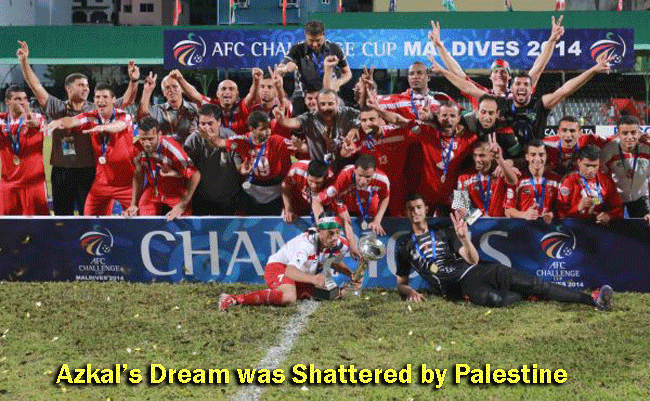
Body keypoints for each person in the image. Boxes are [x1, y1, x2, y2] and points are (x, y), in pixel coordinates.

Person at [395, 193, 613, 310]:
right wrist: (410, 292)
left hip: (476, 271)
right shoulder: (404, 245)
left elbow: (473, 260)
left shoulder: (443, 231)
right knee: (496, 300)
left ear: (425, 209)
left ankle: (593, 300)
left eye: (419, 207)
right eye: (411, 209)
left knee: (537, 284)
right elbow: (401, 283)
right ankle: (528, 295)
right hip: (459, 287)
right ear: (406, 212)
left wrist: (463, 238)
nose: (415, 212)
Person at [16, 40, 139, 215]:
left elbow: (127, 100)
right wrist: (24, 62)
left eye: (87, 85)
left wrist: (133, 81)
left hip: (88, 171)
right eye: (81, 85)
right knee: (62, 217)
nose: (86, 88)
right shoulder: (57, 107)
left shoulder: (96, 108)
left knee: (87, 217)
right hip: (61, 172)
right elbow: (36, 86)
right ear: (68, 88)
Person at [430, 56, 613, 158]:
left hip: (528, 161)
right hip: (494, 161)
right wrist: (442, 66)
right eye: (483, 112)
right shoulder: (493, 103)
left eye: (526, 84)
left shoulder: (537, 104)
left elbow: (564, 88)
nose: (486, 115)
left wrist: (593, 70)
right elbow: (464, 83)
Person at [219, 213, 358, 311]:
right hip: (280, 267)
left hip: (301, 274)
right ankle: (233, 298)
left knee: (334, 294)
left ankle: (293, 290)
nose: (334, 238)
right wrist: (313, 279)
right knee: (289, 297)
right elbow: (290, 271)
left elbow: (332, 261)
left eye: (337, 232)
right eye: (330, 233)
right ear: (319, 231)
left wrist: (352, 275)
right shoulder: (306, 245)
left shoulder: (337, 242)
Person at [429, 16, 564, 106]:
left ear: (509, 77)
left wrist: (552, 40)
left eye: (503, 71)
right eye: (496, 71)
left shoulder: (518, 93)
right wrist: (440, 46)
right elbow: (458, 73)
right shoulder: (480, 92)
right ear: (490, 77)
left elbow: (537, 69)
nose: (499, 74)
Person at [47, 83, 135, 216]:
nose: (100, 100)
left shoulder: (124, 115)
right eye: (97, 97)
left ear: (113, 100)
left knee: (138, 220)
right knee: (89, 220)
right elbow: (74, 121)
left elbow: (119, 126)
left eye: (105, 97)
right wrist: (59, 122)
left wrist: (103, 127)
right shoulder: (90, 117)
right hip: (101, 183)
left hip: (126, 183)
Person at [125, 117, 200, 220]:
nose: (146, 144)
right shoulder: (136, 148)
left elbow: (195, 175)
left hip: (175, 192)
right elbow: (138, 173)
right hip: (153, 190)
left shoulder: (172, 148)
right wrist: (133, 204)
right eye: (143, 139)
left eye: (150, 139)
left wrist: (182, 204)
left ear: (159, 134)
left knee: (182, 224)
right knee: (144, 223)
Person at [275, 20, 352, 116]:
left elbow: (347, 73)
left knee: (341, 111)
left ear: (323, 35)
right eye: (311, 41)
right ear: (305, 35)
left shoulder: (334, 48)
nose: (315, 44)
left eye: (318, 40)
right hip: (302, 94)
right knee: (296, 113)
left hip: (328, 91)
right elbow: (278, 71)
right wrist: (285, 69)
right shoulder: (297, 49)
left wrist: (338, 83)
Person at [273, 88, 359, 169]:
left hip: (344, 167)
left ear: (337, 103)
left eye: (330, 104)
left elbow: (363, 115)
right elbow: (292, 122)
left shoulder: (346, 112)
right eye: (322, 104)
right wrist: (281, 119)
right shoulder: (309, 118)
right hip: (318, 169)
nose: (326, 108)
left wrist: (355, 127)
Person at [183, 104, 241, 216]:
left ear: (219, 122)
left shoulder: (231, 137)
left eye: (210, 123)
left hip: (227, 198)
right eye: (202, 123)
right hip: (201, 197)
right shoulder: (192, 140)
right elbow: (187, 171)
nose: (206, 127)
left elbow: (239, 166)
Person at [313, 153, 390, 236]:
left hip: (368, 206)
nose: (363, 181)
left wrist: (377, 220)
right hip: (348, 203)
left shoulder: (382, 179)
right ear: (355, 169)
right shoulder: (344, 175)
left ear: (374, 172)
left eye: (368, 177)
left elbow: (385, 197)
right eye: (360, 175)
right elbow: (318, 201)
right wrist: (340, 208)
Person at [0, 86, 49, 215]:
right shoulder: (2, 121)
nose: (22, 102)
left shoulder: (37, 118)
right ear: (8, 102)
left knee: (38, 225)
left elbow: (40, 124)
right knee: (8, 225)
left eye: (25, 98)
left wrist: (34, 124)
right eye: (17, 99)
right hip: (9, 185)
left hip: (34, 185)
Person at [173, 69, 259, 136]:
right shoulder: (212, 105)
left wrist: (256, 81)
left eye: (231, 89)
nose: (227, 92)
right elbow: (195, 95)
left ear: (237, 94)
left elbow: (252, 97)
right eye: (223, 89)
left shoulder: (242, 106)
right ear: (217, 93)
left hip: (238, 149)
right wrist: (180, 78)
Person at [557, 145, 624, 223]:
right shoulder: (569, 181)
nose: (591, 170)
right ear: (579, 162)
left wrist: (609, 216)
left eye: (594, 166)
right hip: (574, 226)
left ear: (599, 164)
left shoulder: (605, 180)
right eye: (587, 166)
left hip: (598, 226)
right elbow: (560, 215)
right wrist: (578, 208)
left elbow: (618, 207)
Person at [600, 115, 650, 218]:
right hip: (616, 201)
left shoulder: (647, 149)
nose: (629, 137)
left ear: (639, 133)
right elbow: (602, 180)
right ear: (618, 134)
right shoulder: (608, 150)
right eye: (625, 133)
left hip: (641, 199)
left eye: (633, 132)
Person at [456, 135, 518, 217]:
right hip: (477, 223)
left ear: (491, 156)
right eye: (475, 155)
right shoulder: (463, 178)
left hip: (500, 223)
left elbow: (513, 181)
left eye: (482, 155)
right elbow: (460, 207)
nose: (478, 159)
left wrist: (499, 158)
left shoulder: (500, 172)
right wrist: (480, 219)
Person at [504, 140, 561, 224]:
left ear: (546, 156)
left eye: (541, 155)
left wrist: (552, 214)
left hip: (548, 228)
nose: (537, 159)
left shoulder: (556, 179)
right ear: (527, 157)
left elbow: (563, 207)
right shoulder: (517, 179)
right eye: (533, 155)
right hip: (523, 228)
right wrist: (524, 215)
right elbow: (508, 210)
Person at [139, 71, 199, 145]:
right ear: (163, 93)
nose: (171, 90)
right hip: (166, 150)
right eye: (167, 88)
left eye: (175, 86)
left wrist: (181, 79)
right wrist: (147, 91)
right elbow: (142, 119)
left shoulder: (194, 108)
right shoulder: (157, 110)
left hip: (190, 150)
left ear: (182, 89)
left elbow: (201, 100)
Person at [376, 61, 453, 119]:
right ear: (408, 78)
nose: (415, 77)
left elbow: (457, 116)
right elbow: (374, 105)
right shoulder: (397, 100)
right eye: (411, 74)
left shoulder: (442, 99)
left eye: (419, 73)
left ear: (428, 77)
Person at [543, 115, 608, 177]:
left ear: (580, 133)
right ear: (558, 133)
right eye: (564, 130)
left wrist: (603, 162)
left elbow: (612, 142)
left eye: (572, 131)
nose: (568, 135)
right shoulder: (547, 143)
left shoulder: (588, 139)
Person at [281, 159, 334, 223]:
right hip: (296, 206)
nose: (313, 186)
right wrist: (288, 209)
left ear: (325, 178)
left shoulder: (332, 180)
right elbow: (285, 186)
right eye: (310, 181)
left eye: (318, 183)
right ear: (307, 174)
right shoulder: (297, 170)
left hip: (321, 208)